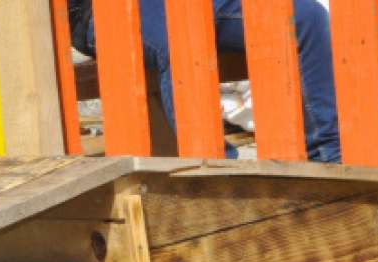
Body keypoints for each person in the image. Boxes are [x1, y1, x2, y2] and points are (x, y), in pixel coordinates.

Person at [68, 0, 341, 163]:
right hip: (104, 9)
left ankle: (330, 162)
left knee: (305, 17)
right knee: (181, 35)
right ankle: (223, 179)